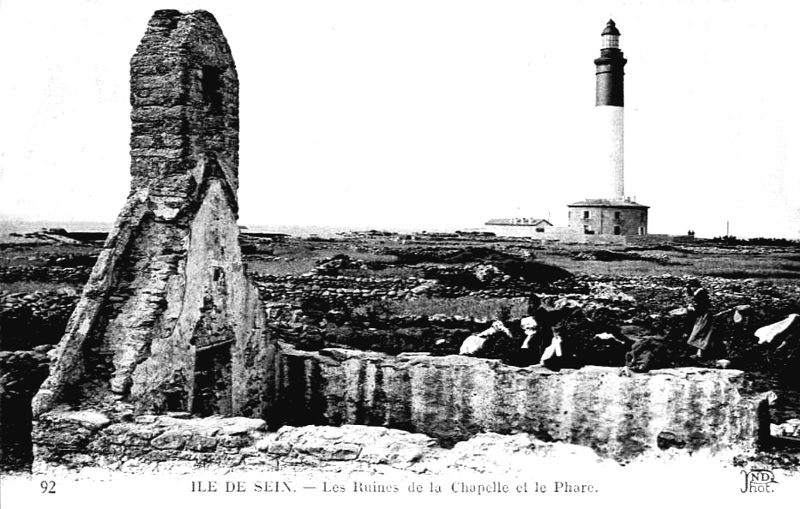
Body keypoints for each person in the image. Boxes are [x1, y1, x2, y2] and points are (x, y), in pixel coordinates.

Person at [685, 279, 726, 361]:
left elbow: (703, 306)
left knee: (700, 333)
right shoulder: (699, 292)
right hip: (702, 315)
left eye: (691, 287)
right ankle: (699, 353)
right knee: (701, 333)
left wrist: (692, 308)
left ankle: (700, 354)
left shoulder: (701, 293)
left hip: (704, 316)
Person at [518, 294, 554, 365]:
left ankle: (537, 360)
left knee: (536, 344)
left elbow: (544, 325)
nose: (531, 305)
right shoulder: (534, 311)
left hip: (544, 332)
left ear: (537, 303)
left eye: (533, 303)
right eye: (530, 303)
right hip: (538, 331)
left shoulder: (541, 312)